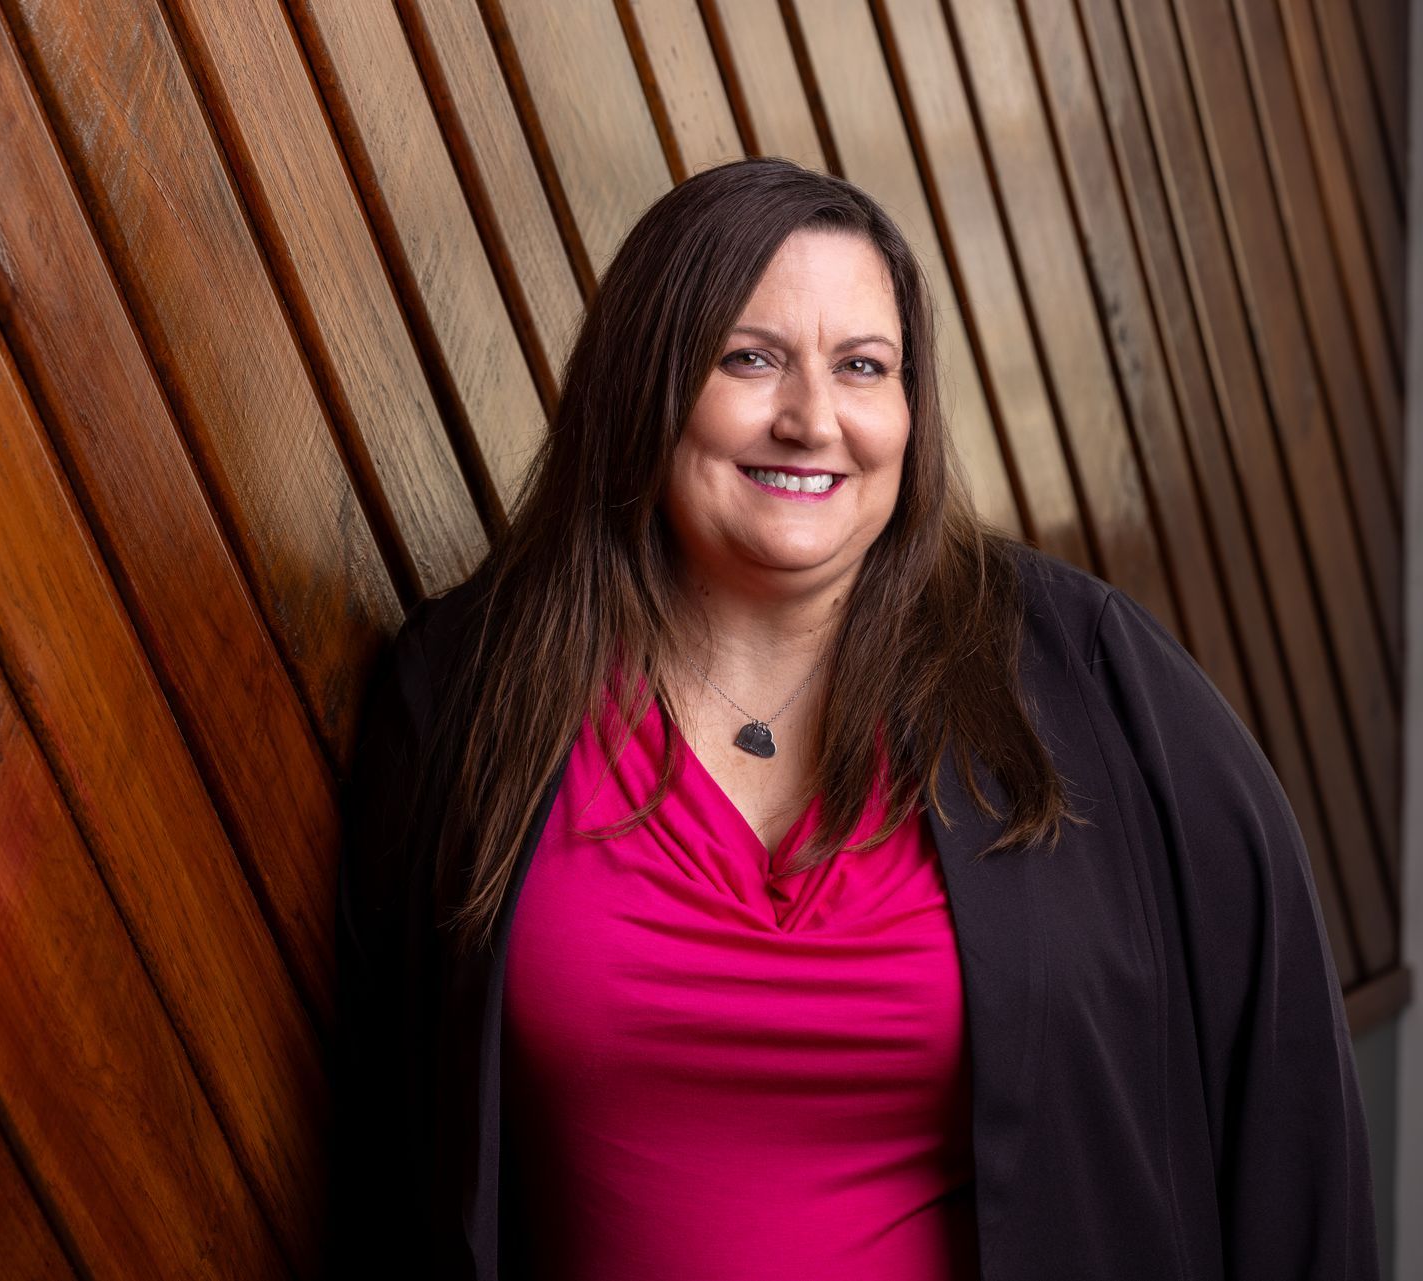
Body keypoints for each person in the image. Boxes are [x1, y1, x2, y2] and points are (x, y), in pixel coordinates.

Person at [328, 157, 1376, 1280]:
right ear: (645, 384)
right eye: (750, 359)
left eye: (863, 369)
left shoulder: (1091, 679)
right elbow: (387, 1154)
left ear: (909, 414)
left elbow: (1286, 1108)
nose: (811, 418)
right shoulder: (465, 698)